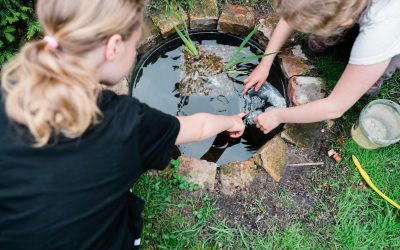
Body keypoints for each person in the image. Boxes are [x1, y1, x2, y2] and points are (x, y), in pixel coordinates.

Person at [0, 0, 246, 249]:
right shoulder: (125, 124)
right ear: (114, 46)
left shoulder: (9, 94)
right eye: (134, 43)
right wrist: (231, 121)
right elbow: (199, 127)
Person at [243, 0, 400, 134]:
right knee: (315, 39)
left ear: (344, 22)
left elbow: (336, 106)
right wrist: (265, 63)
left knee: (365, 88)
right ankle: (334, 31)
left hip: (391, 31)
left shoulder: (383, 26)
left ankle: (373, 71)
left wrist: (278, 116)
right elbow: (293, 10)